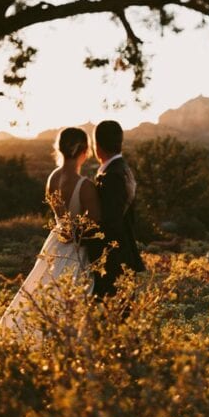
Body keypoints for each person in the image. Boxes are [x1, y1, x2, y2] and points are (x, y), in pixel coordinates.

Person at [0, 127, 100, 342]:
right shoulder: (86, 186)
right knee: (72, 299)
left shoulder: (52, 178)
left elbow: (60, 216)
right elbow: (96, 224)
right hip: (76, 247)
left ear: (60, 148)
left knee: (44, 291)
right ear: (85, 150)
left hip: (55, 243)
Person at [88, 120, 145, 299]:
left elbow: (110, 224)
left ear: (96, 146)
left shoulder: (112, 175)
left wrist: (80, 235)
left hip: (114, 261)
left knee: (115, 317)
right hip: (122, 254)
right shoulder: (123, 168)